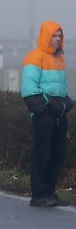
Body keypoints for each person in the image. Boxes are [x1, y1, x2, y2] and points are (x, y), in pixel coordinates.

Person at [21, 21, 73, 207]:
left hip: (59, 114)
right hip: (44, 114)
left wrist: (66, 104)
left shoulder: (59, 59)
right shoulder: (35, 57)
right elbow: (28, 88)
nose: (58, 39)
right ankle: (39, 195)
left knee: (57, 154)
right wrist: (42, 111)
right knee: (42, 153)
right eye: (54, 35)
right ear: (45, 36)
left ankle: (50, 192)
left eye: (60, 35)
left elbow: (61, 88)